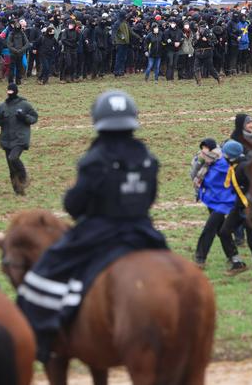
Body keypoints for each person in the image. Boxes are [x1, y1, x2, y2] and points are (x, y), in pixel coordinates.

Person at [18, 90, 167, 362]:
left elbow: (74, 206)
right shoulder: (147, 157)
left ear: (99, 121)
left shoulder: (94, 159)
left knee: (45, 270)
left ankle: (43, 340)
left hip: (100, 231)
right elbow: (151, 197)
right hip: (143, 231)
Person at [194, 140, 241, 271]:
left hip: (225, 202)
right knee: (221, 231)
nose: (203, 151)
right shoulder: (207, 162)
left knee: (209, 228)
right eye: (202, 148)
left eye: (205, 148)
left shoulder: (226, 164)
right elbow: (198, 177)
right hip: (212, 199)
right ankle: (235, 258)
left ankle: (200, 259)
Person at [0, 83, 38, 196]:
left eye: (12, 92)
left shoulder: (25, 105)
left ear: (16, 92)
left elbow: (34, 118)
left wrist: (24, 117)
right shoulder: (1, 106)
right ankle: (18, 191)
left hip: (20, 139)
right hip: (7, 140)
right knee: (12, 169)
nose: (10, 94)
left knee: (13, 158)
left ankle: (23, 176)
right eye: (8, 92)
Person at [229, 113, 252, 265]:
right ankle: (239, 236)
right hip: (240, 178)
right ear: (241, 124)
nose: (251, 125)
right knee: (239, 206)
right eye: (248, 123)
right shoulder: (236, 139)